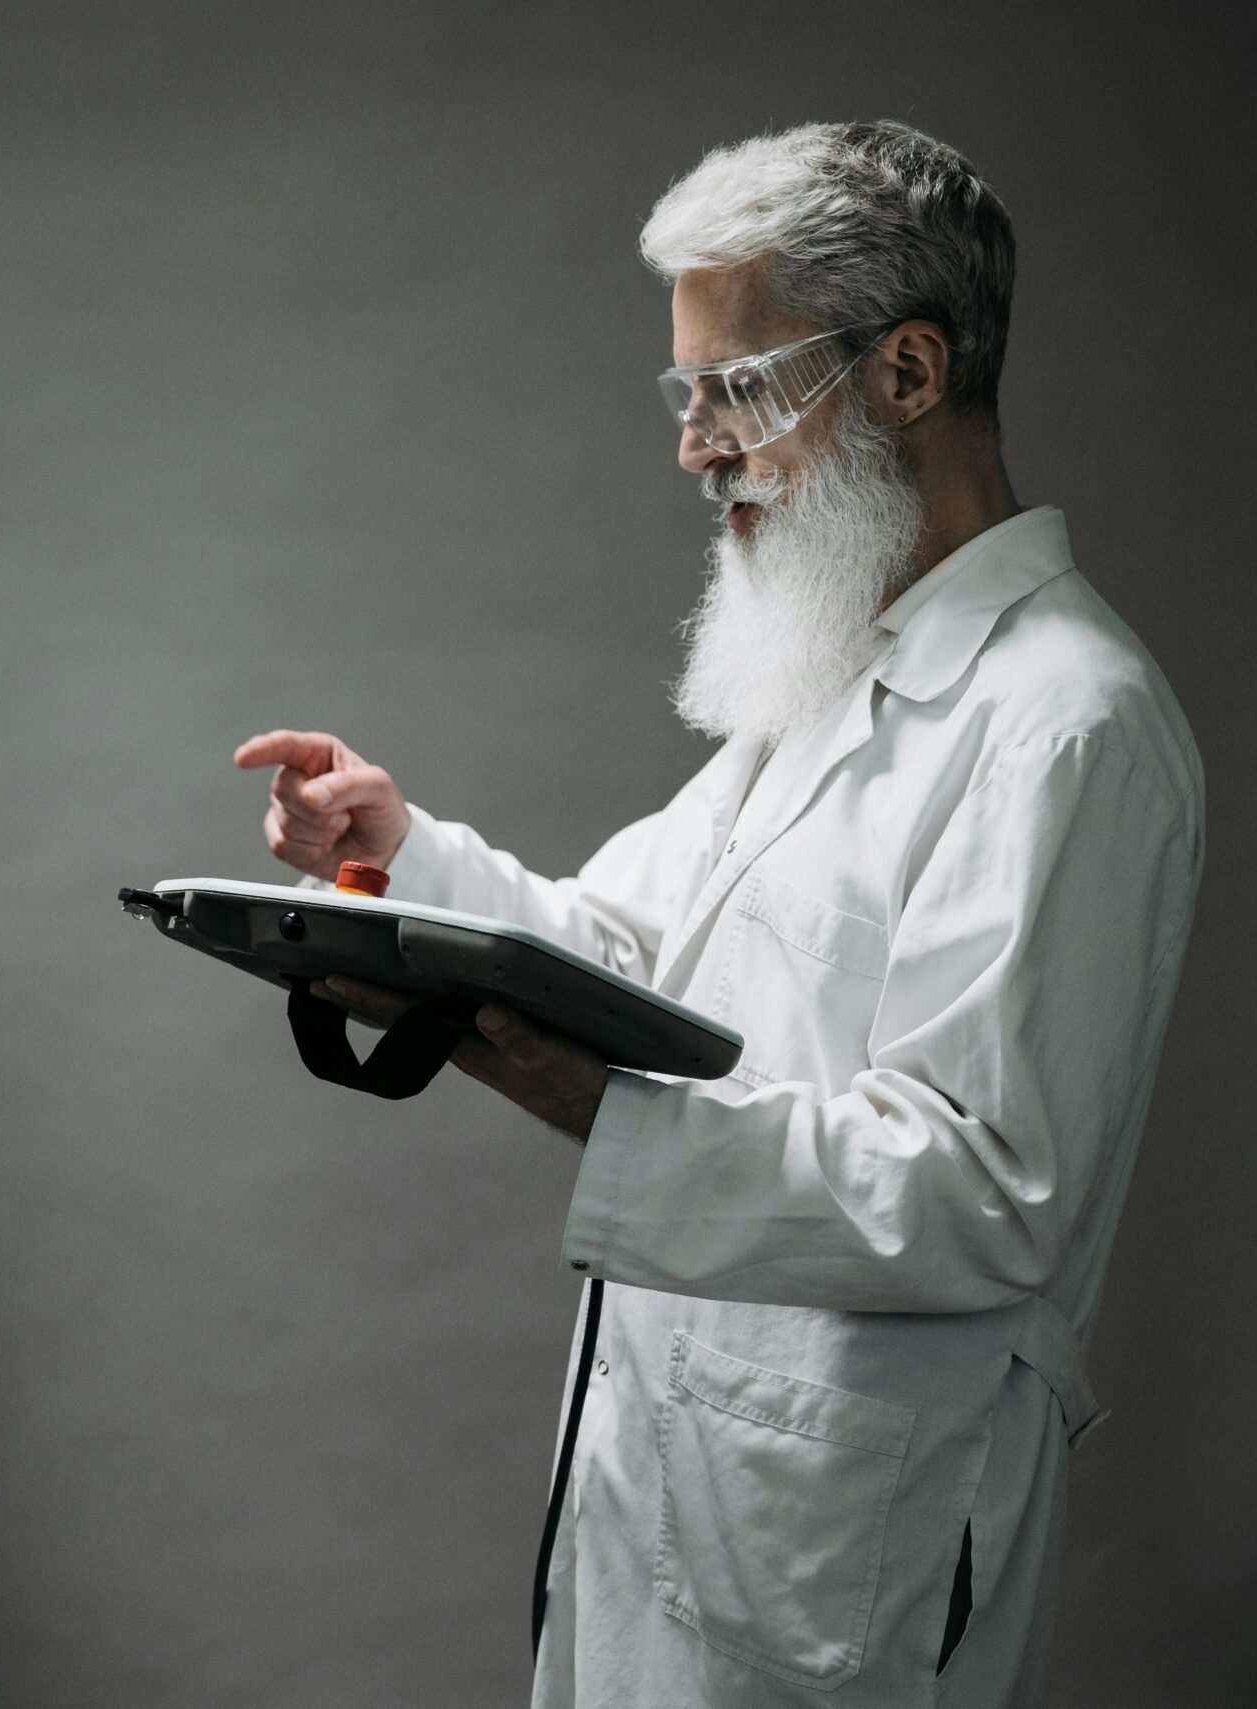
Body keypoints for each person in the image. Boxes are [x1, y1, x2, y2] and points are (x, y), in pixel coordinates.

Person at [236, 122, 1200, 1707]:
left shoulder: (1062, 723)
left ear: (906, 372)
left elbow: (988, 1186)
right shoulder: (831, 681)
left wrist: (603, 1111)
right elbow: (623, 948)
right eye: (686, 393)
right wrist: (401, 859)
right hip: (689, 1489)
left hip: (847, 1545)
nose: (695, 444)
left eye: (738, 386)